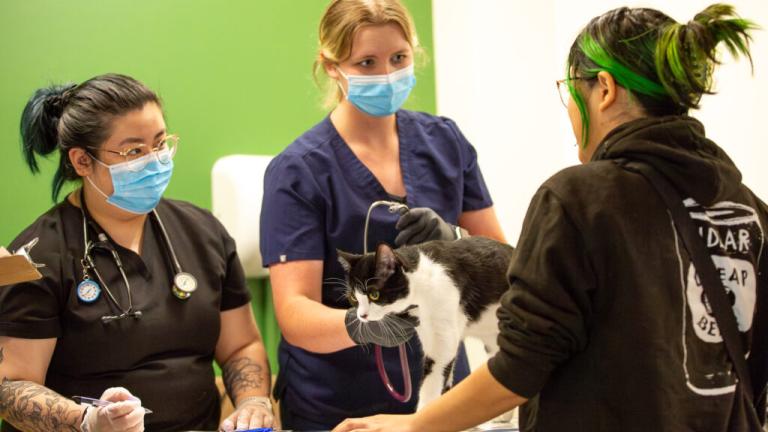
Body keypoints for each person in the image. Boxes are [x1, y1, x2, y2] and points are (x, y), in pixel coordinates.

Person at [332, 4, 768, 432]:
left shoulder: (578, 199)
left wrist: (415, 426)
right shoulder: (751, 211)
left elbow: (520, 365)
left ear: (604, 89)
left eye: (569, 89)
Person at [259, 0, 505, 428]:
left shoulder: (444, 142)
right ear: (332, 66)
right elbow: (295, 313)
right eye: (366, 63)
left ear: (414, 51)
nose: (387, 75)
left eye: (398, 58)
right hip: (338, 400)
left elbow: (507, 264)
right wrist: (371, 324)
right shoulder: (299, 171)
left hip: (442, 392)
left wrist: (456, 242)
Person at [0, 74, 274, 432]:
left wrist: (254, 401)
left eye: (160, 144)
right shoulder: (39, 257)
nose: (154, 161)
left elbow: (242, 346)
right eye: (134, 151)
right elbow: (12, 387)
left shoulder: (202, 232)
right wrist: (88, 421)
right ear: (82, 162)